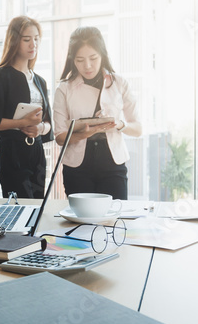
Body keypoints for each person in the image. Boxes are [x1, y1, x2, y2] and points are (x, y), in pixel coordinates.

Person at [53, 26, 142, 199]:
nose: (87, 66)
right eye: (80, 60)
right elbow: (60, 137)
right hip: (77, 167)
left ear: (102, 55)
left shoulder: (119, 83)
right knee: (82, 223)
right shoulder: (64, 89)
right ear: (72, 60)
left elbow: (138, 129)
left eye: (93, 58)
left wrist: (119, 124)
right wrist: (83, 134)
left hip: (112, 164)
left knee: (114, 220)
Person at [0, 16, 53, 199]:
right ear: (14, 41)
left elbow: (49, 123)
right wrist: (22, 122)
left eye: (36, 39)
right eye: (27, 39)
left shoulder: (39, 81)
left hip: (37, 151)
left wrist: (39, 128)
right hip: (12, 152)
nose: (32, 44)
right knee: (20, 207)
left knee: (37, 207)